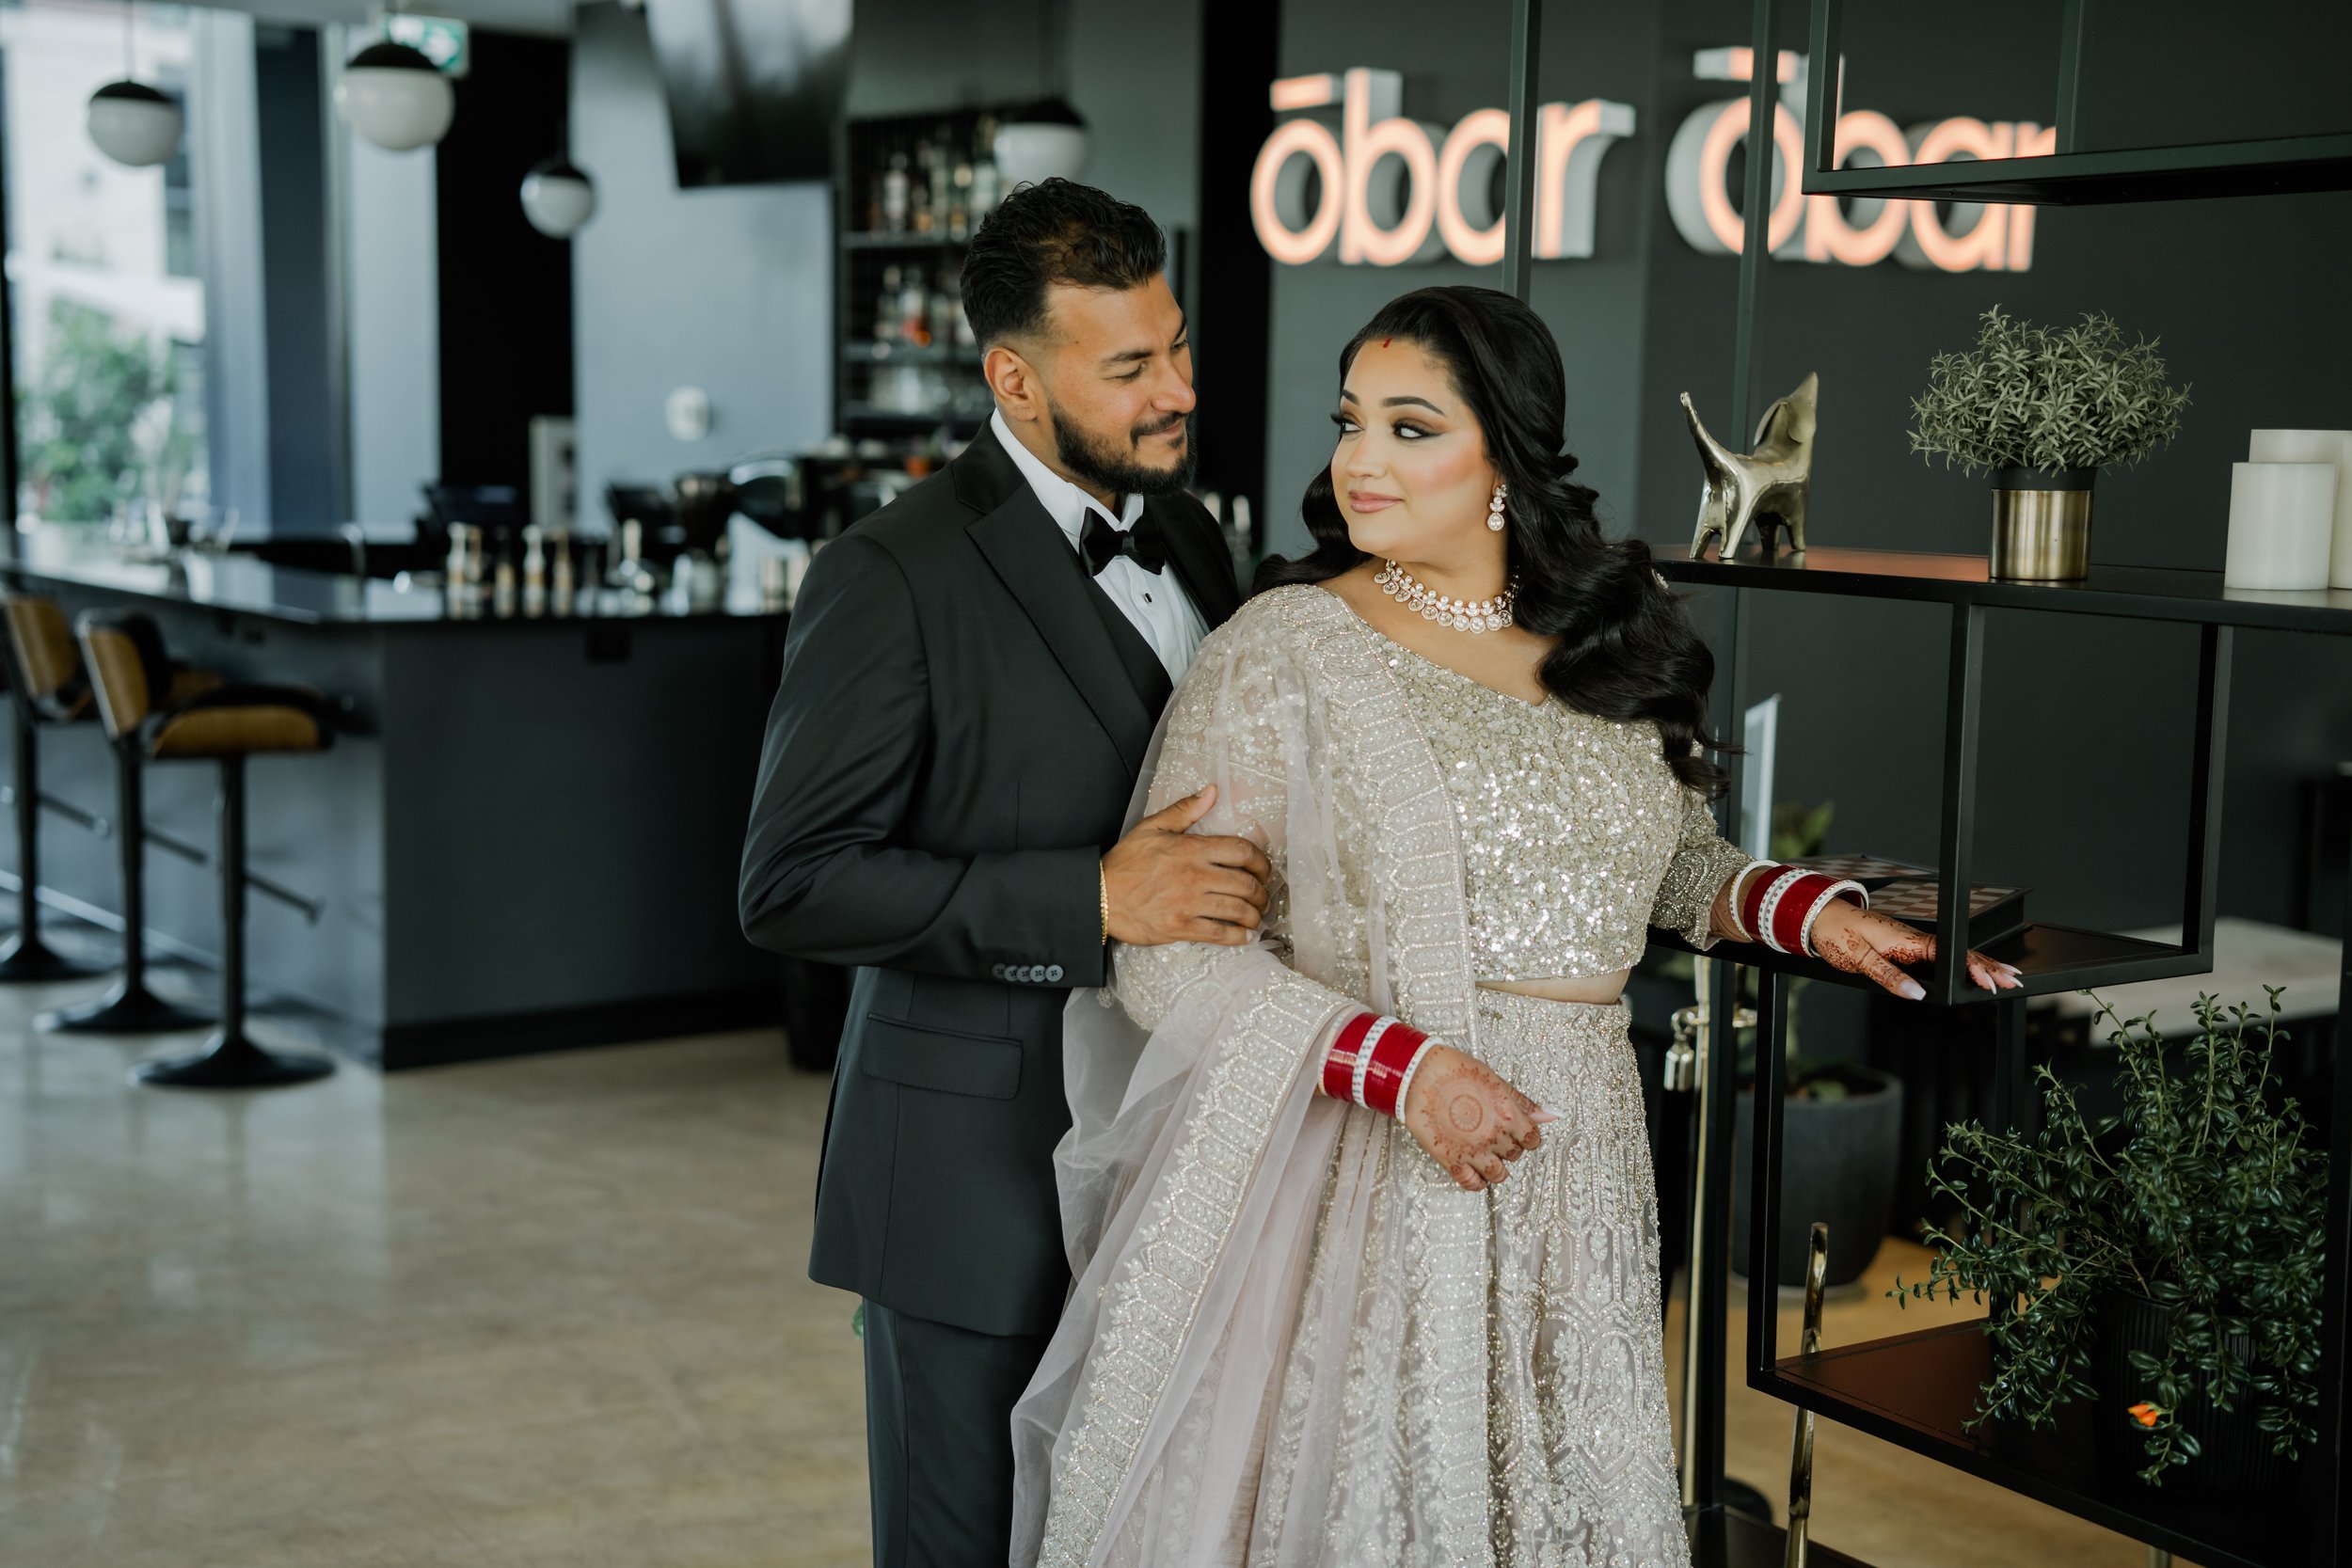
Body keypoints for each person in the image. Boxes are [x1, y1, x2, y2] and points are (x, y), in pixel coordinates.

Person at [1010, 285, 2023, 1567]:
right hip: (1378, 1176)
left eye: (1411, 427)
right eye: (1351, 422)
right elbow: (1172, 952)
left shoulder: (1603, 632)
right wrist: (1408, 1069)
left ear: (1508, 457)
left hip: (1577, 1167)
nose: (1360, 461)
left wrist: (1804, 914)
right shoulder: (1287, 651)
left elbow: (1655, 866)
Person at [738, 180, 1262, 1567]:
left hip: (1168, 1165)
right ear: (1013, 380)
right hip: (973, 1185)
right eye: (1134, 366)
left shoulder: (1193, 534)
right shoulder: (888, 576)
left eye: (1180, 347)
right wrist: (1088, 900)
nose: (1181, 391)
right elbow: (791, 883)